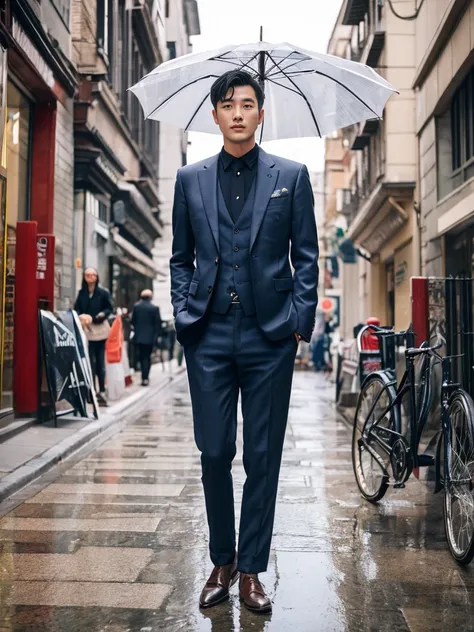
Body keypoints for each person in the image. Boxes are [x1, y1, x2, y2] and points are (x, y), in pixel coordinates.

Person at [170, 70, 319, 613]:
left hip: (269, 335)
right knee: (214, 452)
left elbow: (306, 257)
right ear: (214, 115)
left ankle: (252, 569)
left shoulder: (292, 175)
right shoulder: (189, 179)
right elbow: (179, 257)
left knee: (263, 456)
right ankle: (222, 559)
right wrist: (184, 311)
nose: (238, 112)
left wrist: (300, 321)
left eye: (248, 103)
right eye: (228, 104)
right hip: (207, 333)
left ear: (261, 114)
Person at [74, 267, 113, 406]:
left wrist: (99, 316)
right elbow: (77, 307)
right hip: (86, 329)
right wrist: (81, 316)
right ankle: (91, 390)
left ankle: (101, 390)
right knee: (89, 361)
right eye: (87, 275)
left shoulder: (103, 292)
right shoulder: (82, 293)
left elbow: (109, 308)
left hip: (100, 328)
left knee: (100, 361)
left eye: (93, 275)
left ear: (97, 277)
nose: (90, 277)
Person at [131, 289, 162, 386]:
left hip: (139, 336)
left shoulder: (136, 307)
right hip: (150, 337)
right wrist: (157, 337)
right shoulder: (154, 308)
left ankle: (143, 377)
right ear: (150, 297)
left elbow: (133, 321)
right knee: (147, 357)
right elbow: (158, 324)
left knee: (141, 356)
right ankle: (145, 378)